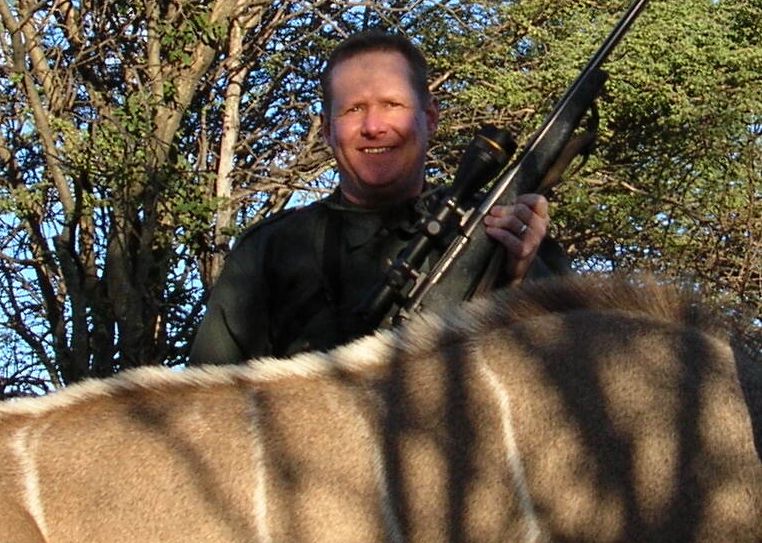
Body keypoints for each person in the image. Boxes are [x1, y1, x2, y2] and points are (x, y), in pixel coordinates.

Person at [188, 29, 566, 364]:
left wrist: (519, 277)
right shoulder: (267, 251)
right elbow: (204, 409)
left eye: (392, 105)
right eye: (354, 109)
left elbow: (569, 388)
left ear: (430, 117)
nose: (373, 127)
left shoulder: (503, 231)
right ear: (327, 130)